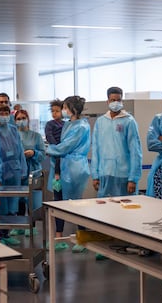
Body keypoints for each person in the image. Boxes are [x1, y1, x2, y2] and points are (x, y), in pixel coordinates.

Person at [46, 96, 90, 253]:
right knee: (63, 203)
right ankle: (66, 236)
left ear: (73, 109)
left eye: (65, 107)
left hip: (75, 167)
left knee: (76, 204)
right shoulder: (69, 125)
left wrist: (49, 149)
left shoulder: (81, 126)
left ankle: (82, 238)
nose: (63, 110)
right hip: (65, 166)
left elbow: (66, 146)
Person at [91, 87, 142, 198]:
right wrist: (95, 175)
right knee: (105, 210)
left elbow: (135, 151)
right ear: (107, 101)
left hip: (124, 175)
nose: (116, 103)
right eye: (112, 100)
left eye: (118, 100)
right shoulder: (100, 122)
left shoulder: (129, 121)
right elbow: (95, 149)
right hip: (104, 174)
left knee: (125, 210)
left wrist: (133, 179)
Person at [0, 105, 27, 245]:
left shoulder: (14, 130)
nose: (4, 115)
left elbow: (20, 151)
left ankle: (7, 234)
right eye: (1, 113)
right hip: (1, 168)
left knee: (13, 203)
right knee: (1, 204)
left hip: (14, 169)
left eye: (6, 113)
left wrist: (23, 170)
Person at [11, 109, 45, 236]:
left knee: (32, 200)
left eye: (23, 118)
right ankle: (20, 225)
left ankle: (32, 226)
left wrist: (34, 153)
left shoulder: (35, 136)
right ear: (14, 121)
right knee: (18, 199)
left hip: (32, 170)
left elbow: (43, 154)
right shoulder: (13, 136)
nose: (21, 121)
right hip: (18, 171)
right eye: (18, 119)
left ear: (28, 119)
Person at [44, 99, 66, 246]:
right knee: (58, 201)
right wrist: (59, 148)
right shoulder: (49, 125)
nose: (55, 113)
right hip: (57, 162)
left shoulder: (68, 125)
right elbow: (52, 141)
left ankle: (80, 233)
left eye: (57, 111)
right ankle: (58, 234)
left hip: (68, 165)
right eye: (52, 111)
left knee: (73, 201)